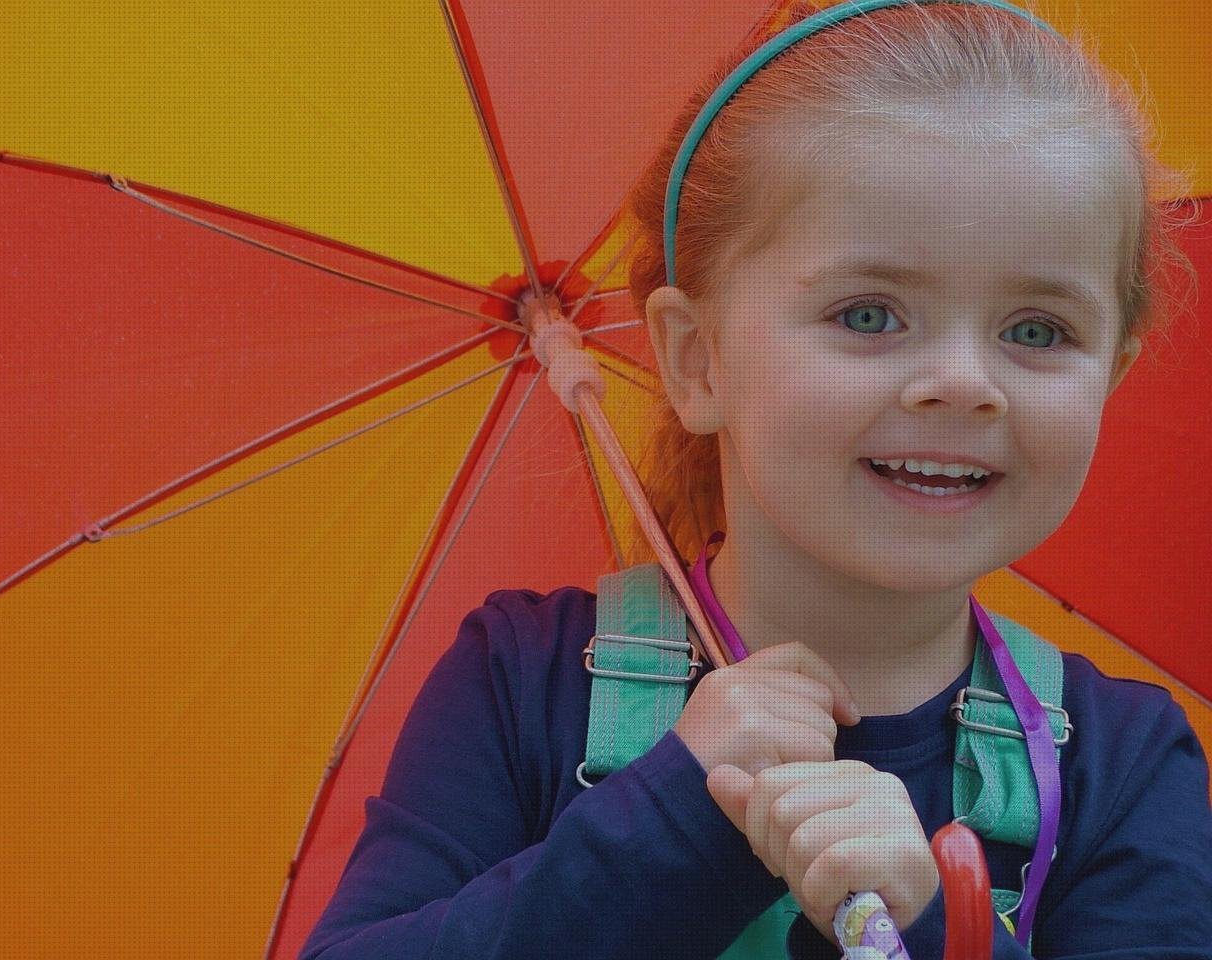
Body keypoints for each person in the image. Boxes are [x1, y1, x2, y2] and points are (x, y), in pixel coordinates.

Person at [299, 1, 1212, 957]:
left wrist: (938, 928)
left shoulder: (1120, 760)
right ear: (697, 362)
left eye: (1036, 331)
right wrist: (673, 818)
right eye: (869, 314)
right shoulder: (520, 680)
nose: (963, 385)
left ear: (1111, 372)